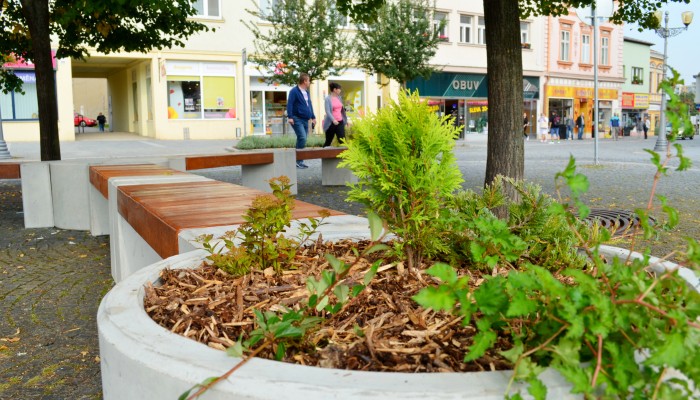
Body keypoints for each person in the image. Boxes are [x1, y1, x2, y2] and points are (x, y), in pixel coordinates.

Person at [287, 73, 316, 169]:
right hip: (296, 118)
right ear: (304, 81)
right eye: (309, 80)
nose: (309, 82)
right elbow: (290, 104)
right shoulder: (294, 91)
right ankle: (298, 161)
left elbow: (309, 105)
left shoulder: (307, 92)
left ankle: (298, 161)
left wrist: (313, 117)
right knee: (302, 137)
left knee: (301, 139)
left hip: (305, 119)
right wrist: (290, 116)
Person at [322, 83, 348, 147]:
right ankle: (323, 155)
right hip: (331, 123)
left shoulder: (339, 98)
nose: (340, 90)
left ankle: (345, 156)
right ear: (334, 90)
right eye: (339, 89)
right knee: (328, 141)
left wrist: (346, 121)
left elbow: (341, 110)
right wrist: (333, 120)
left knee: (342, 140)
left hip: (340, 122)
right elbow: (327, 111)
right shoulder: (327, 99)